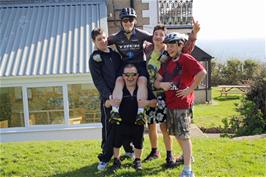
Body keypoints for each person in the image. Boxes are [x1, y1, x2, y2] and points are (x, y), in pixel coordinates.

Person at [143, 21, 200, 167]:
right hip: (151, 91)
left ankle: (170, 154)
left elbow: (186, 49)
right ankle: (155, 151)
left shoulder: (168, 52)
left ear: (165, 37)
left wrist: (194, 33)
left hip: (166, 95)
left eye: (161, 35)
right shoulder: (147, 50)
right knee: (151, 123)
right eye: (156, 34)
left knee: (165, 125)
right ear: (152, 36)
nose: (158, 37)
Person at [155, 32, 206, 177]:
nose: (170, 48)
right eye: (168, 45)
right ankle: (186, 156)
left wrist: (190, 89)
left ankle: (188, 170)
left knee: (183, 136)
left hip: (182, 104)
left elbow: (202, 73)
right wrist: (162, 84)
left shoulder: (186, 58)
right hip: (171, 103)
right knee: (177, 134)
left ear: (180, 45)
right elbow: (156, 81)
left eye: (173, 45)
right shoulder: (166, 62)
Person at [89, 28, 134, 171]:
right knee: (110, 128)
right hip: (108, 99)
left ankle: (128, 149)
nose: (102, 41)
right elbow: (98, 80)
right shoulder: (94, 58)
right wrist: (108, 96)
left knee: (126, 123)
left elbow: (122, 74)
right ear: (94, 42)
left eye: (103, 38)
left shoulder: (115, 55)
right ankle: (105, 157)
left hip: (122, 96)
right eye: (99, 39)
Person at [105, 64, 157, 172]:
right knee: (116, 141)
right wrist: (110, 102)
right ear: (123, 76)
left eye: (133, 74)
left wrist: (146, 102)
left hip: (138, 121)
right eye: (127, 75)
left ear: (138, 75)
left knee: (138, 141)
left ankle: (137, 160)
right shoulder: (118, 89)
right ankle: (116, 160)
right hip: (121, 121)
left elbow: (155, 102)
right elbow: (105, 103)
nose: (130, 77)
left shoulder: (143, 89)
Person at [107, 7, 153, 126]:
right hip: (125, 65)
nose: (128, 23)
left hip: (139, 64)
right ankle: (115, 112)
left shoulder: (141, 34)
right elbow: (101, 42)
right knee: (119, 81)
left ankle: (141, 113)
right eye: (125, 20)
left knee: (142, 80)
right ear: (121, 22)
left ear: (135, 21)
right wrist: (96, 52)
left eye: (131, 20)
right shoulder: (116, 36)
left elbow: (158, 39)